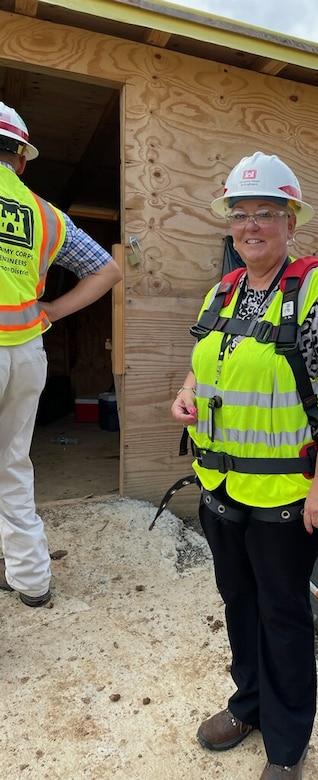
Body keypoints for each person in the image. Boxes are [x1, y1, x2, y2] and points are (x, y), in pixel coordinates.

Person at [171, 151, 318, 779]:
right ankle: (247, 703)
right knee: (239, 602)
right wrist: (188, 392)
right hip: (222, 484)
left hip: (286, 493)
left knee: (281, 614)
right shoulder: (224, 289)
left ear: (290, 221)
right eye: (241, 213)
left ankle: (286, 745)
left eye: (266, 214)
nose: (251, 225)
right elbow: (208, 363)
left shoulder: (316, 291)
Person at [0, 101, 122, 607]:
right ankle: (31, 581)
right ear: (23, 160)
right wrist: (48, 310)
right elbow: (108, 271)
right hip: (26, 350)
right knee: (12, 464)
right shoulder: (46, 215)